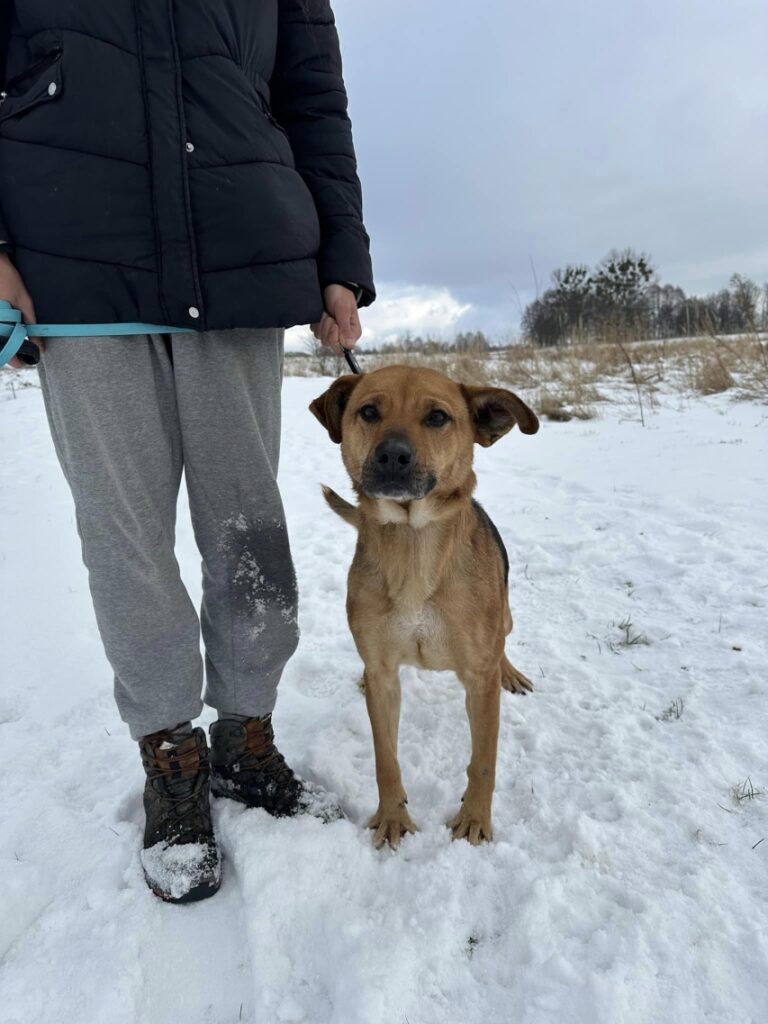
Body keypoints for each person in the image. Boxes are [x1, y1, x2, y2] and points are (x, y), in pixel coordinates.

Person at [0, 1, 374, 903]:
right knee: (123, 534)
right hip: (73, 263)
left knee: (249, 524)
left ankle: (247, 731)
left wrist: (338, 254)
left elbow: (312, 97)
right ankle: (170, 747)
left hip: (240, 249)